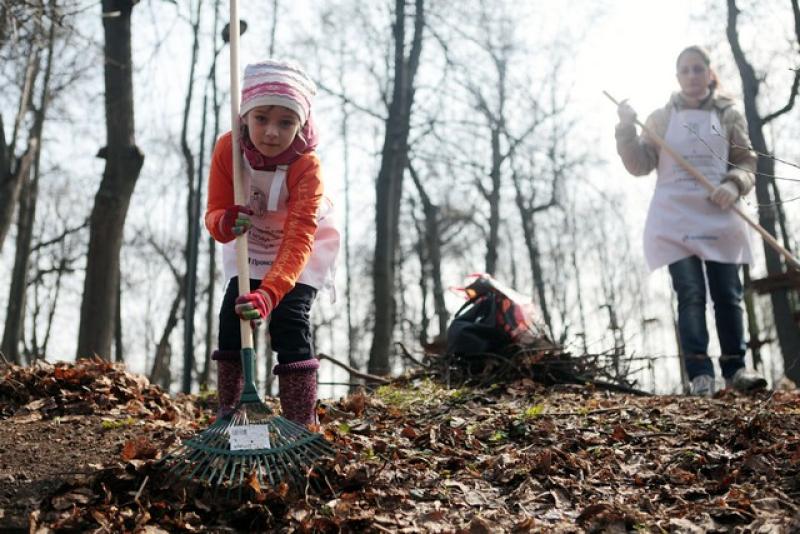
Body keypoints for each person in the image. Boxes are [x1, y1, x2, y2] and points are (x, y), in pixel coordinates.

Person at [614, 45, 766, 397]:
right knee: (691, 294)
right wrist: (625, 130)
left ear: (710, 73)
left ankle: (736, 369)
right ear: (677, 76)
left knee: (728, 294)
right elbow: (639, 164)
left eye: (699, 69)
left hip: (720, 214)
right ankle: (700, 374)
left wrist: (734, 183)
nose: (693, 75)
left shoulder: (730, 114)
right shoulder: (659, 119)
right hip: (675, 219)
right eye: (686, 70)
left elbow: (746, 161)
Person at [205, 60, 339, 424]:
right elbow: (214, 214)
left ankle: (299, 420)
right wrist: (226, 222)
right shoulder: (227, 149)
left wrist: (270, 293)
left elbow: (299, 239)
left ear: (301, 124)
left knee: (288, 317)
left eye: (286, 122)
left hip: (300, 249)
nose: (271, 132)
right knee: (231, 317)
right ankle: (230, 412)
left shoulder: (307, 166)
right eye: (261, 118)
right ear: (245, 115)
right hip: (249, 239)